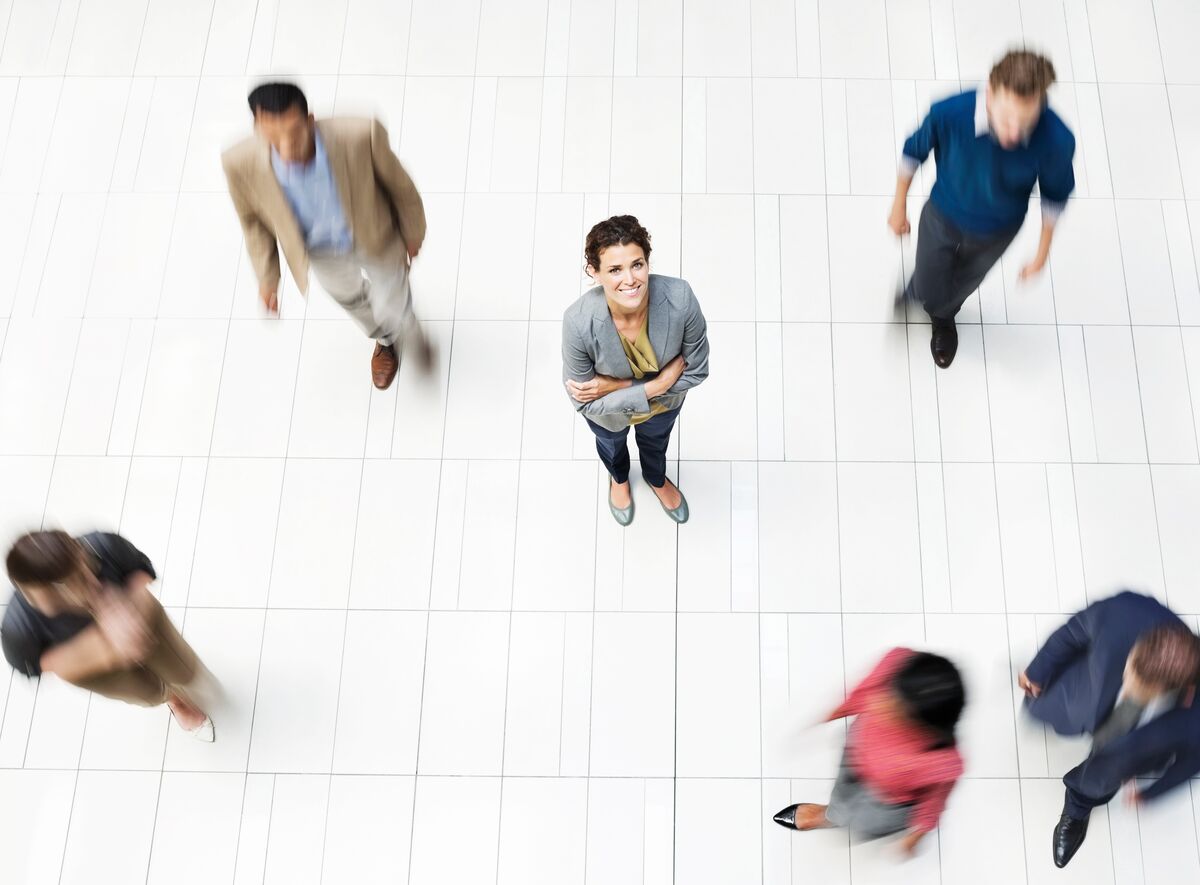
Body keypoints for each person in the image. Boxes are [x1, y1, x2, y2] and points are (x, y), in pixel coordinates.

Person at [222, 82, 432, 390]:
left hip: (375, 235)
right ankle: (385, 340)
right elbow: (252, 221)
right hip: (318, 249)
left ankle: (411, 335)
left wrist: (413, 231)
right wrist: (268, 278)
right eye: (272, 136)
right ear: (257, 129)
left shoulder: (360, 135)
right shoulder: (238, 163)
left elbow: (400, 185)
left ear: (309, 120)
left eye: (294, 132)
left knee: (392, 301)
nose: (286, 147)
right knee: (350, 298)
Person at [889, 49, 1076, 368]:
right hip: (942, 214)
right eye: (1006, 120)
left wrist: (1042, 253)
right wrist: (898, 204)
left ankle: (943, 318)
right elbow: (913, 151)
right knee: (929, 278)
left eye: (1025, 122)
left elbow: (1055, 198)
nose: (1014, 134)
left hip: (999, 229)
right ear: (990, 92)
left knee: (965, 282)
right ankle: (921, 291)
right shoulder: (949, 112)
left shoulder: (1057, 139)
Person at [1019, 591, 1200, 869]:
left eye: (1140, 692)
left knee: (1100, 775)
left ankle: (1077, 807)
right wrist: (1038, 669)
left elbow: (1192, 762)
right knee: (1043, 713)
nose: (1127, 688)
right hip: (1081, 698)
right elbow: (1072, 632)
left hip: (1133, 747)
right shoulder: (1125, 612)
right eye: (1131, 674)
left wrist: (1153, 793)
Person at [562, 216, 710, 526]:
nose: (630, 280)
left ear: (646, 261)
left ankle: (656, 478)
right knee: (611, 447)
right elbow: (584, 401)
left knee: (656, 444)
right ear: (595, 272)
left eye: (637, 264)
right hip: (610, 416)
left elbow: (697, 371)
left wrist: (615, 386)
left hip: (663, 407)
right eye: (615, 270)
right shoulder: (577, 321)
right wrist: (657, 383)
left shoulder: (680, 298)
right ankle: (619, 478)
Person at [2, 530, 215, 741]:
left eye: (87, 568)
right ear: (36, 597)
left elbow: (141, 570)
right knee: (149, 693)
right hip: (91, 667)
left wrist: (126, 606)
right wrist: (105, 646)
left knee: (184, 671)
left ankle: (177, 686)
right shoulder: (19, 628)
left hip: (142, 619)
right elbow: (34, 665)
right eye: (73, 584)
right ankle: (174, 700)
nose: (93, 583)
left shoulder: (101, 545)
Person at [773, 648, 966, 856]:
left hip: (886, 802)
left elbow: (933, 805)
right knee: (842, 790)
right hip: (856, 748)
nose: (881, 702)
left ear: (927, 726)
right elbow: (862, 693)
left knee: (861, 821)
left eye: (899, 710)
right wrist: (831, 715)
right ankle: (831, 814)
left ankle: (833, 817)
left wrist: (915, 837)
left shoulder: (943, 763)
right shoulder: (896, 664)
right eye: (892, 692)